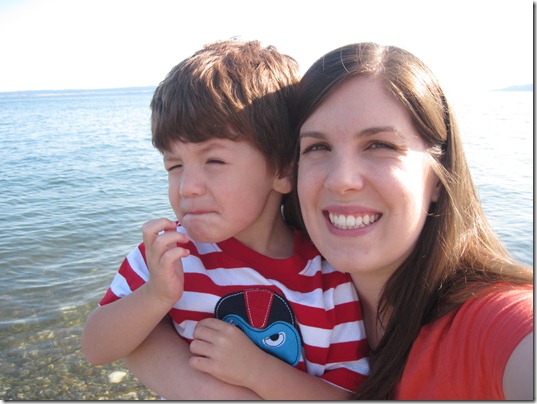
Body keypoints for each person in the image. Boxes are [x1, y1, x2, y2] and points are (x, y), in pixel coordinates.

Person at [122, 42, 533, 401]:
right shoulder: (210, 266)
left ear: (439, 177)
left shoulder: (492, 323)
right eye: (317, 147)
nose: (341, 180)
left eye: (379, 144)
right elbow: (113, 337)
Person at [81, 39, 368, 400]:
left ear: (283, 170)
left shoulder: (329, 279)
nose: (187, 187)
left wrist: (257, 371)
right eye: (174, 165)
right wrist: (155, 296)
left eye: (214, 161)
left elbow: (344, 396)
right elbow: (95, 347)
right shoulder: (167, 256)